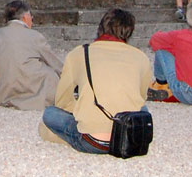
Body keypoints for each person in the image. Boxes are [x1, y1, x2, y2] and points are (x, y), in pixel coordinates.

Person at [40, 8, 151, 155]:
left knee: (49, 114)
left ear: (101, 28)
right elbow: (141, 97)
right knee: (143, 109)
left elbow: (62, 100)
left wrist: (82, 108)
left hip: (92, 141)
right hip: (129, 136)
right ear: (129, 31)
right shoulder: (141, 57)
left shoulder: (79, 53)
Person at [0, 0, 63, 111]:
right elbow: (54, 63)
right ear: (26, 17)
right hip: (32, 89)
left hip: (5, 92)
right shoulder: (35, 36)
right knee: (51, 73)